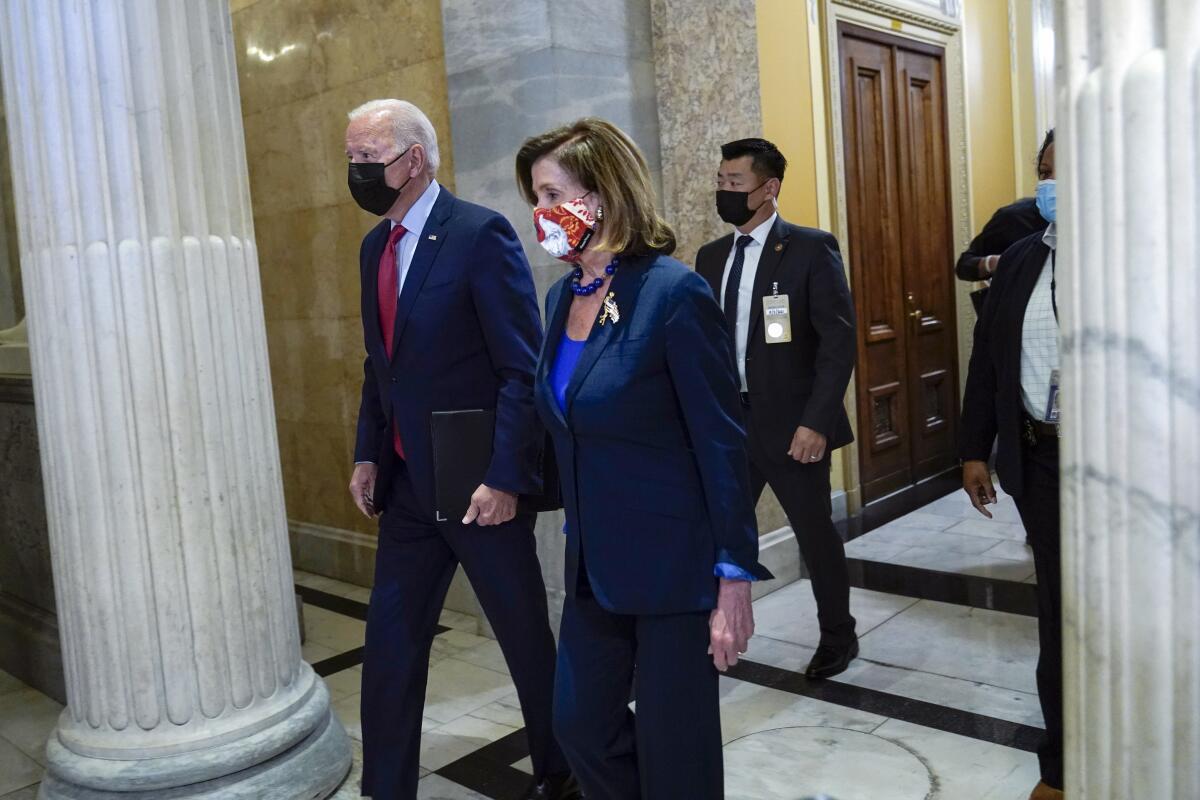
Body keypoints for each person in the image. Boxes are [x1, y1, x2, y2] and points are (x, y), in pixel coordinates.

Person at [516, 118, 773, 800]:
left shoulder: (671, 293)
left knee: (676, 750)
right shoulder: (557, 299)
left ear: (600, 195)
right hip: (593, 569)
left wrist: (734, 576)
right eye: (535, 199)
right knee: (579, 725)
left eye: (549, 195)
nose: (539, 215)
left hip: (674, 567)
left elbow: (722, 442)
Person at [344, 99, 577, 800]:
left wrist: (506, 476)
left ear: (412, 160)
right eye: (351, 157)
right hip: (410, 486)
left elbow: (520, 368)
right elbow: (378, 366)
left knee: (525, 640)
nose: (355, 171)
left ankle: (559, 770)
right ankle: (386, 789)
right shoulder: (373, 248)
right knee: (390, 645)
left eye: (367, 158)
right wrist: (366, 454)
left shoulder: (479, 236)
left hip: (482, 490)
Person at [695, 138, 859, 679]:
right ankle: (713, 630)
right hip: (729, 426)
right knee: (717, 534)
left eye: (735, 183)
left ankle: (839, 635)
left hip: (793, 429)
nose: (725, 191)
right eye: (721, 181)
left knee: (815, 534)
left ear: (770, 189)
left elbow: (838, 344)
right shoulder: (712, 257)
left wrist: (815, 422)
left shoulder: (810, 249)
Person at [959, 129, 1062, 800]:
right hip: (1041, 459)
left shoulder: (1158, 255)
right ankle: (1060, 766)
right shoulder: (1023, 257)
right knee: (1058, 616)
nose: (1054, 185)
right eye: (1046, 172)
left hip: (1135, 469)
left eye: (1069, 171)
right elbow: (988, 358)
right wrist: (974, 447)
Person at [956, 136, 1054, 311]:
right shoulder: (1013, 218)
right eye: (1045, 173)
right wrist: (996, 263)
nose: (1051, 180)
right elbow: (964, 266)